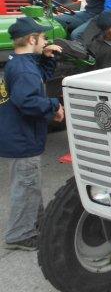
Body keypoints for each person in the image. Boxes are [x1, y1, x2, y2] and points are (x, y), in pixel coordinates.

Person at [0, 18, 64, 251]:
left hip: (15, 135)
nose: (45, 41)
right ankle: (20, 234)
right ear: (31, 39)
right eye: (43, 37)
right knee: (26, 186)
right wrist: (54, 106)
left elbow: (38, 79)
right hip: (22, 138)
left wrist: (48, 58)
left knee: (29, 184)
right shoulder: (25, 69)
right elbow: (27, 100)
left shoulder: (18, 62)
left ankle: (36, 222)